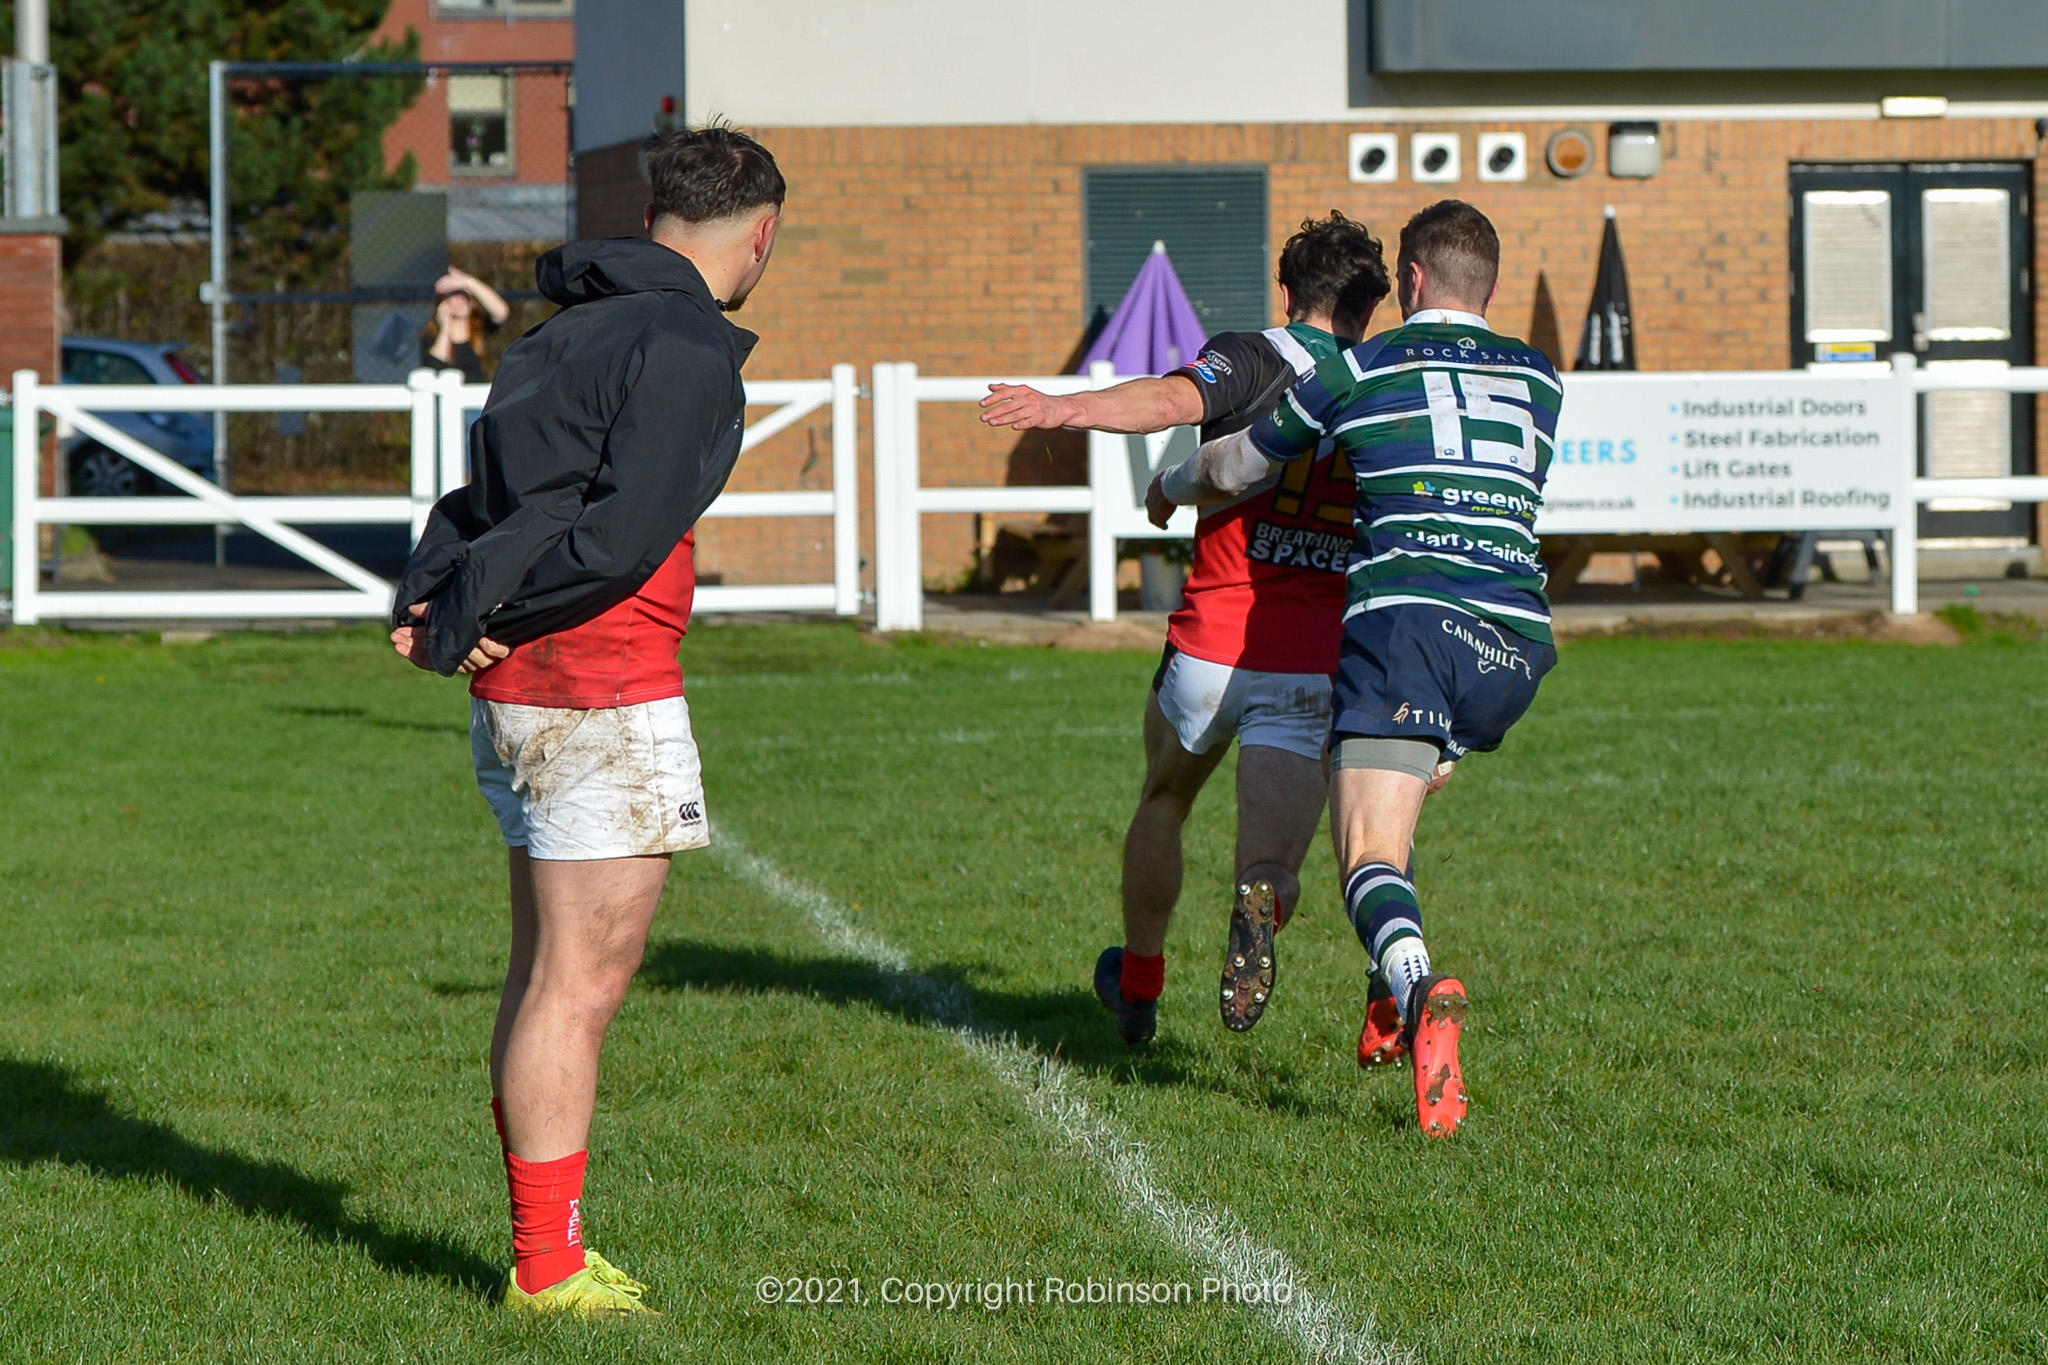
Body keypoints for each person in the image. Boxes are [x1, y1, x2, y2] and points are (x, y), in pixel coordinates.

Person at [388, 123, 784, 1312]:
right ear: (760, 237)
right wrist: (475, 612)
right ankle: (548, 1269)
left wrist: (444, 602)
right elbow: (616, 541)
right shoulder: (686, 342)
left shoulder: (558, 330)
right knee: (576, 990)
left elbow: (484, 499)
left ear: (654, 217)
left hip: (531, 689)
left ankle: (544, 1255)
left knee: (541, 980)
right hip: (597, 687)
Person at [1189, 200, 1562, 1136]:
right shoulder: (1542, 378)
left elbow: (1239, 465)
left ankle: (1415, 982)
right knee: (1383, 783)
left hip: (1407, 626)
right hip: (1515, 646)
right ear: (1490, 284)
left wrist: (1170, 483)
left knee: (1368, 853)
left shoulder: (1363, 367)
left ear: (1415, 280)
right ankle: (1384, 1004)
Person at [980, 213, 1390, 1045]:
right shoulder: (1383, 383)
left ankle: (1139, 986)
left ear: (1286, 291)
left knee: (1164, 799)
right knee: (1268, 871)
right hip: (1313, 663)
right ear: (1370, 307)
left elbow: (1170, 399)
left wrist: (1065, 407)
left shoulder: (1254, 354)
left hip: (1211, 643)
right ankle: (1261, 907)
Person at [420, 265, 512, 383]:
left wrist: (469, 282)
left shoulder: (479, 327)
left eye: (466, 297)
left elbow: (501, 312)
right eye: (455, 296)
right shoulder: (431, 332)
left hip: (474, 391)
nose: (461, 301)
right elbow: (433, 367)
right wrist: (445, 329)